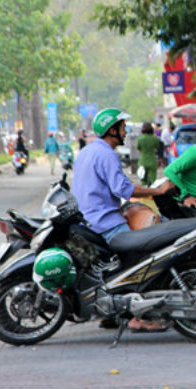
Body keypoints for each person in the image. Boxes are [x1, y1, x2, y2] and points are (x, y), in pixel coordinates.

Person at [72, 108, 174, 332]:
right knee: (142, 266)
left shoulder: (87, 151)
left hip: (87, 221)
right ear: (112, 130)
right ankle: (138, 317)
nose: (126, 131)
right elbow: (124, 189)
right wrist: (159, 191)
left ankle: (112, 313)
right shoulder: (107, 154)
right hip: (106, 222)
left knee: (117, 270)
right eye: (122, 127)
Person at [136, 122, 161, 186]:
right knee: (153, 181)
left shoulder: (140, 139)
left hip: (143, 161)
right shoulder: (155, 138)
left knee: (143, 180)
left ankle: (144, 194)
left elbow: (138, 149)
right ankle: (152, 194)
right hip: (152, 161)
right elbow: (157, 148)